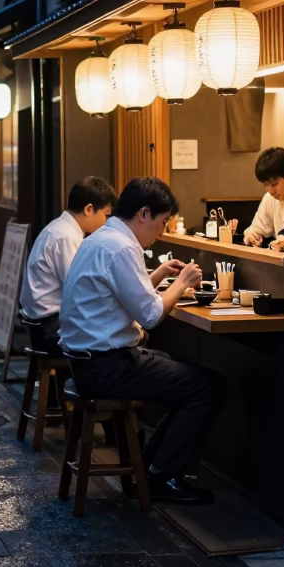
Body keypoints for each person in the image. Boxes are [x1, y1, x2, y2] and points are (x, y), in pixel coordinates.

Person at [59, 176, 227, 504]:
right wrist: (182, 282)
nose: (161, 231)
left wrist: (161, 273)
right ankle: (161, 475)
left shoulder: (102, 238)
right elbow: (150, 314)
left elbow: (124, 295)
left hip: (87, 363)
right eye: (162, 223)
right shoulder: (121, 247)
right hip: (106, 367)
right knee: (208, 388)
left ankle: (150, 466)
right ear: (144, 214)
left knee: (181, 371)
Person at [20, 176, 118, 355]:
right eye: (106, 215)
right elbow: (81, 289)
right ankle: (91, 381)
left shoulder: (59, 228)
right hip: (51, 329)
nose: (106, 222)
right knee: (117, 334)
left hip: (43, 324)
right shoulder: (67, 237)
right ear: (89, 209)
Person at [243, 147, 284, 248]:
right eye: (265, 185)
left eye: (274, 184)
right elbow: (257, 228)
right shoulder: (269, 198)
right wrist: (252, 236)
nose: (270, 191)